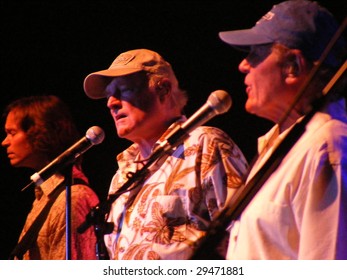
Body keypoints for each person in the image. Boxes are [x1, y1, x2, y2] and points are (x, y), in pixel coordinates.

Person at [83, 48, 248, 259]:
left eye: (123, 90)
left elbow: (243, 238)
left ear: (163, 89)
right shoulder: (121, 176)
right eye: (108, 96)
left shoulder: (204, 144)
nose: (111, 103)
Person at [217, 0, 347, 259]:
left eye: (256, 52)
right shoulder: (281, 145)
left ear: (293, 67)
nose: (243, 65)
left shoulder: (328, 146)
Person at [2, 95, 100, 259]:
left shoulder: (73, 199)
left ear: (40, 132)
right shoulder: (45, 196)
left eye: (12, 133)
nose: (5, 142)